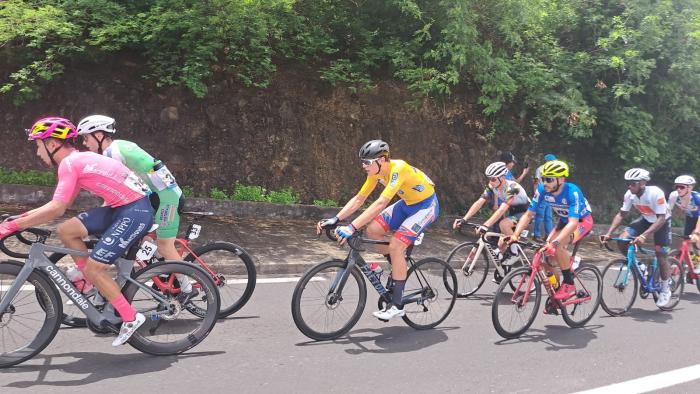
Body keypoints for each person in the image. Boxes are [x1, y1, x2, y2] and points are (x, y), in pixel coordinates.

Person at [0, 117, 153, 345]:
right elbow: (60, 204)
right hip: (121, 207)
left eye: (38, 145)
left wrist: (10, 227)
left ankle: (131, 317)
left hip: (134, 211)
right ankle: (89, 282)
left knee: (96, 268)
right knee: (67, 230)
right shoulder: (76, 161)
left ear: (52, 144)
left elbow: (57, 207)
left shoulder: (70, 164)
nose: (37, 152)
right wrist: (22, 217)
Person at [76, 115, 195, 302]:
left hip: (167, 199)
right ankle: (161, 269)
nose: (84, 143)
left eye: (86, 138)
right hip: (154, 197)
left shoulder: (112, 154)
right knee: (139, 237)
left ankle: (187, 289)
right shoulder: (118, 146)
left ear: (99, 135)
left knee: (165, 246)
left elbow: (117, 192)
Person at [316, 140, 438, 321]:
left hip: (426, 206)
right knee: (373, 230)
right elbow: (359, 198)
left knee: (396, 246)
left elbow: (381, 202)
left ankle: (397, 306)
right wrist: (336, 218)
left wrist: (351, 227)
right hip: (407, 204)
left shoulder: (399, 168)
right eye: (362, 162)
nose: (363, 166)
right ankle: (396, 266)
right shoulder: (375, 173)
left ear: (381, 160)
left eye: (367, 162)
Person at [510, 160, 594, 304]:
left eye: (549, 179)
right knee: (547, 257)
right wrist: (515, 235)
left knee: (558, 245)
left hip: (581, 222)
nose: (545, 183)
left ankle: (569, 284)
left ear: (561, 179)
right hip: (563, 221)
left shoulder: (572, 191)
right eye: (543, 179)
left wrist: (555, 242)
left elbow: (573, 223)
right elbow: (529, 215)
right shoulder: (543, 190)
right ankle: (556, 291)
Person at [601, 168, 673, 307]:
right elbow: (621, 214)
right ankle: (640, 267)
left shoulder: (655, 193)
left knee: (661, 255)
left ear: (642, 183)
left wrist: (643, 235)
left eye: (633, 183)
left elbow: (661, 218)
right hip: (646, 219)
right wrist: (609, 233)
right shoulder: (629, 194)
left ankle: (665, 289)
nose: (629, 186)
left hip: (662, 221)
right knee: (623, 240)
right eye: (627, 183)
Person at [452, 162, 530, 272]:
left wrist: (485, 225)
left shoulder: (513, 188)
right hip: (513, 212)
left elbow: (502, 209)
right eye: (489, 179)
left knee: (504, 224)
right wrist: (464, 218)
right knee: (500, 245)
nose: (490, 182)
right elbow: (479, 202)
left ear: (502, 178)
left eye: (493, 179)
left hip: (526, 213)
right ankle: (504, 273)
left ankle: (515, 252)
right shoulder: (492, 186)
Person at [532, 154, 557, 242]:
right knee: (540, 216)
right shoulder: (540, 169)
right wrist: (535, 194)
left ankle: (548, 235)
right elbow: (536, 182)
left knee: (548, 216)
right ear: (547, 161)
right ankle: (537, 235)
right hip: (542, 195)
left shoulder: (553, 169)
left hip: (550, 195)